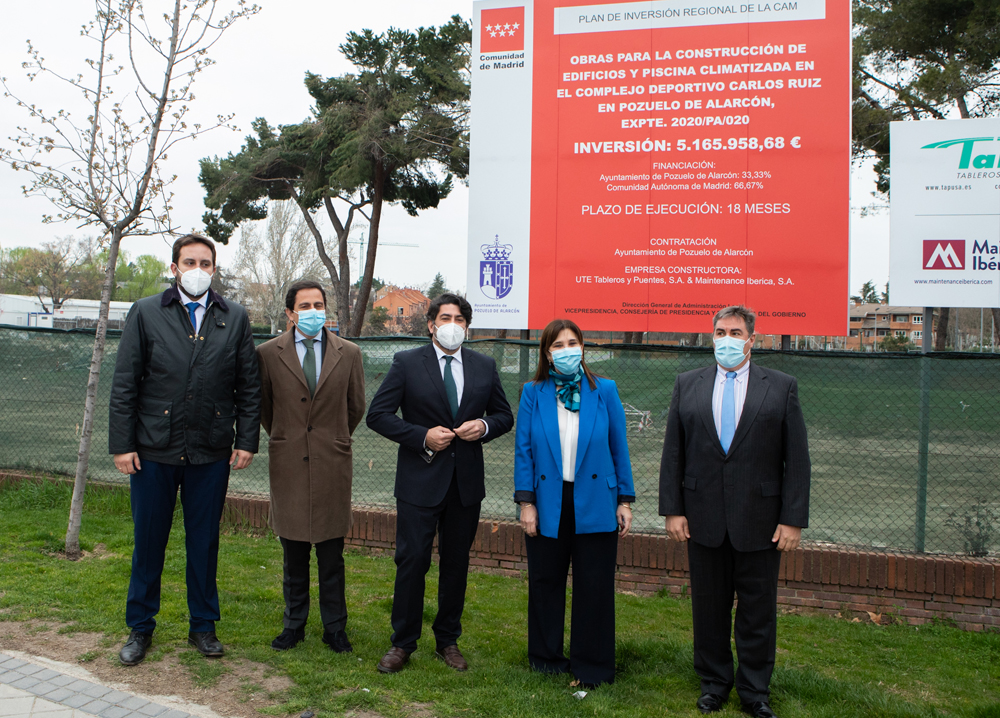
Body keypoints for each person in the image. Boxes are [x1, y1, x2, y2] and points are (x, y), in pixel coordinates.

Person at [109, 233, 261, 666]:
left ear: (215, 269)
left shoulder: (234, 317)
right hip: (152, 451)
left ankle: (203, 627)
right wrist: (122, 445)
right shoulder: (145, 313)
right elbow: (124, 384)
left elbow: (249, 386)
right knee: (148, 542)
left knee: (204, 542)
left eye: (206, 263)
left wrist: (246, 439)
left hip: (210, 453)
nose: (198, 269)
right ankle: (140, 628)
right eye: (189, 261)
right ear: (174, 267)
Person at [658, 305, 810, 718]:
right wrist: (672, 510)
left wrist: (792, 518)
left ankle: (755, 691)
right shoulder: (687, 384)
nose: (727, 339)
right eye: (720, 331)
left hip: (761, 522)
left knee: (758, 611)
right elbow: (674, 452)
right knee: (708, 608)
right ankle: (713, 683)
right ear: (712, 336)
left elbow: (796, 459)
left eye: (735, 332)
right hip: (701, 518)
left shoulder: (780, 387)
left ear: (751, 339)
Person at [366, 293, 514, 674]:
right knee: (412, 561)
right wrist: (420, 436)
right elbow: (378, 415)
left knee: (456, 564)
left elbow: (503, 415)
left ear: (467, 326)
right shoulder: (406, 363)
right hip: (419, 481)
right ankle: (403, 643)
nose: (453, 324)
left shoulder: (483, 365)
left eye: (460, 318)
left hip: (464, 485)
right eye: (445, 317)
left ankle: (447, 640)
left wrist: (482, 426)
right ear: (431, 324)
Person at [513, 318, 635, 688]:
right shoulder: (533, 391)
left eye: (572, 342)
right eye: (558, 345)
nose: (567, 350)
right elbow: (524, 451)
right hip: (549, 500)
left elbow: (619, 447)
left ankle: (593, 666)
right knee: (545, 581)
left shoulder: (606, 390)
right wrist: (526, 503)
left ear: (583, 346)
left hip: (597, 499)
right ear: (547, 355)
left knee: (594, 585)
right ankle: (546, 659)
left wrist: (625, 500)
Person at [256, 280, 366, 653]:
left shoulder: (348, 353)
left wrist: (329, 437)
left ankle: (335, 628)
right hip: (288, 463)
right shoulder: (268, 354)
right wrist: (291, 437)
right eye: (305, 305)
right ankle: (294, 625)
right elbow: (266, 409)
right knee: (294, 554)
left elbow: (355, 407)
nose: (313, 311)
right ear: (290, 313)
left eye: (319, 304)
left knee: (332, 555)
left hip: (332, 463)